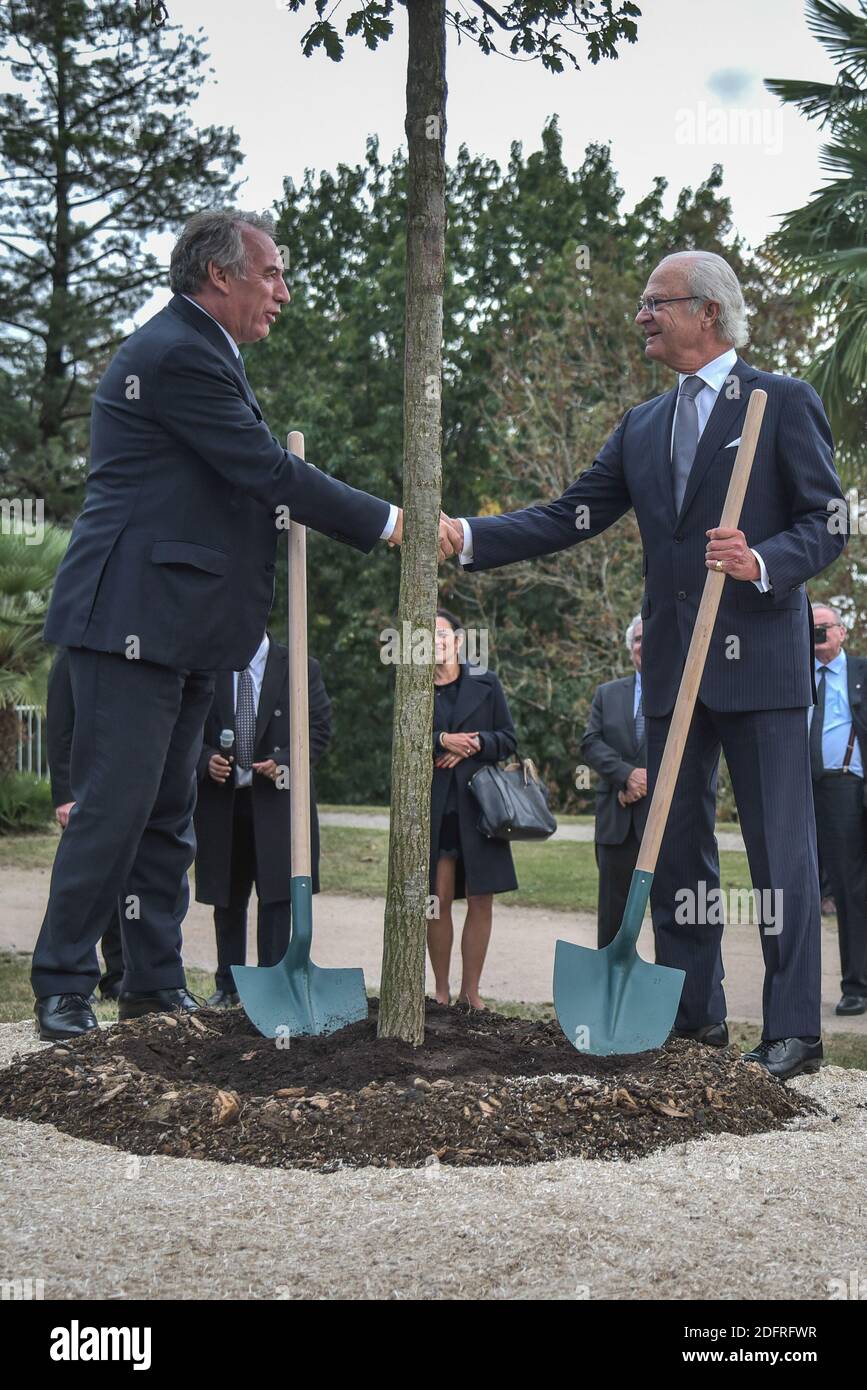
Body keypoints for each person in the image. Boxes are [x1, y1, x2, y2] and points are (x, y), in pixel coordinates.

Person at [33, 208, 459, 1042]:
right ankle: (62, 985)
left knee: (165, 816)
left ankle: (154, 987)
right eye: (271, 274)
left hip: (187, 627)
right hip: (132, 616)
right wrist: (390, 522)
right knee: (114, 810)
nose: (284, 293)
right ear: (218, 275)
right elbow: (264, 469)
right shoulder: (178, 353)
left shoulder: (203, 352)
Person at [445, 248, 847, 1078]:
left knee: (780, 855)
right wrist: (470, 536)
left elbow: (830, 521)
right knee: (673, 849)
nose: (641, 317)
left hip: (761, 667)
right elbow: (571, 515)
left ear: (706, 310)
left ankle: (791, 1034)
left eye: (653, 303)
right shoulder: (640, 426)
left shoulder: (779, 402)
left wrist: (762, 560)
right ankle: (694, 1026)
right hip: (673, 671)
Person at [194, 634, 332, 1006]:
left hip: (277, 802)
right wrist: (205, 759)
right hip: (224, 804)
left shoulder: (300, 666)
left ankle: (272, 986)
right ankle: (229, 986)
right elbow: (185, 729)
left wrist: (283, 761)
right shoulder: (209, 664)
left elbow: (318, 731)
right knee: (227, 897)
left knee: (276, 895)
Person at [428, 608, 518, 1008]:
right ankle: (443, 991)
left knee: (481, 897)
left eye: (442, 634)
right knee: (437, 899)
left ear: (459, 642)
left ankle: (471, 992)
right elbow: (400, 740)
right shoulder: (413, 687)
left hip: (481, 809)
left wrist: (476, 743)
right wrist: (443, 739)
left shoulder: (486, 681)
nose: (435, 642)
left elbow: (508, 740)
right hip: (437, 808)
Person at [45, 648, 124, 1001]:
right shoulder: (70, 656)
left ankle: (120, 975)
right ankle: (76, 976)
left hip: (123, 794)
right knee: (86, 884)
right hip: (83, 795)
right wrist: (64, 795)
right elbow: (59, 729)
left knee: (126, 881)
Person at [582, 615, 653, 954]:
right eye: (638, 639)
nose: (644, 644)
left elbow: (690, 747)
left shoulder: (683, 692)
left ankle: (675, 998)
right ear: (630, 648)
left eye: (649, 637)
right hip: (616, 822)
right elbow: (591, 743)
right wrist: (627, 775)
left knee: (674, 917)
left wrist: (648, 780)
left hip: (663, 822)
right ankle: (608, 992)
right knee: (612, 916)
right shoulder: (607, 694)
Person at [809, 604, 867, 1015]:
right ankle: (797, 993)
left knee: (850, 889)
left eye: (823, 629)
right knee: (792, 888)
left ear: (842, 632)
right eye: (809, 630)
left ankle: (857, 987)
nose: (816, 636)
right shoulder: (793, 675)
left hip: (846, 787)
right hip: (799, 788)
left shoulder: (861, 673)